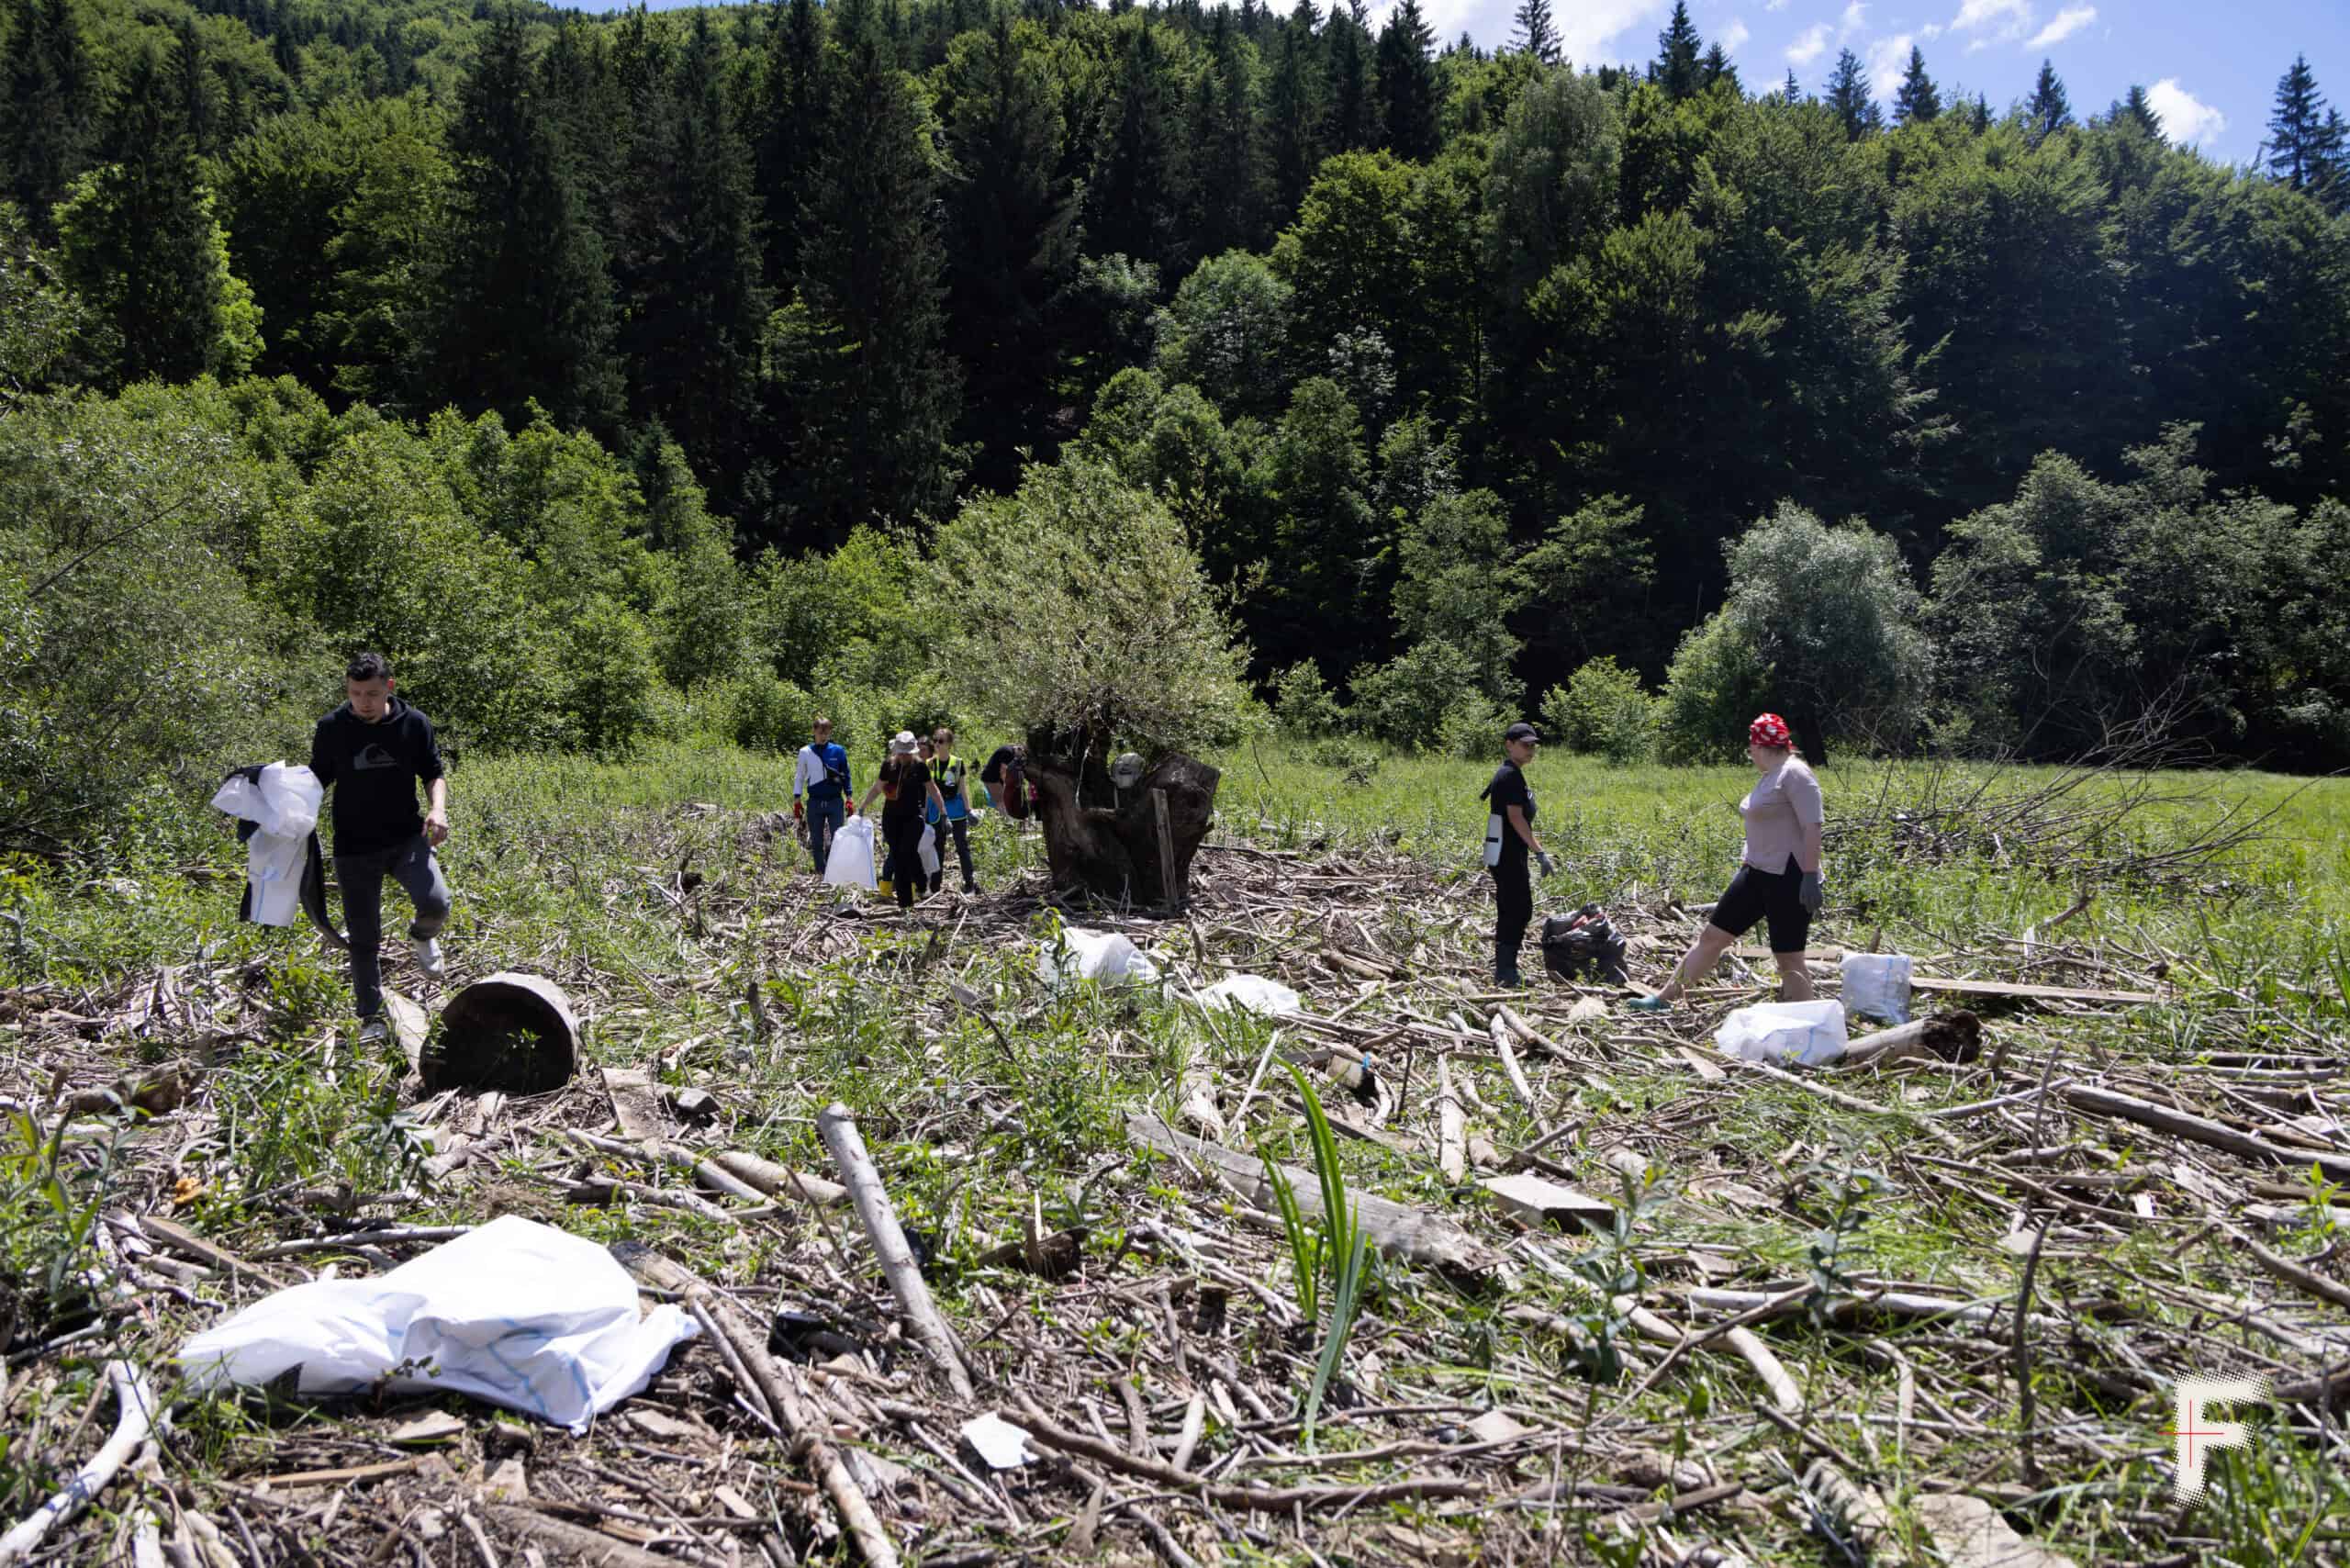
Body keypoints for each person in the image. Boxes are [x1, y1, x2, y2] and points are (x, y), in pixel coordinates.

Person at [1630, 713, 1824, 1012]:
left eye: (1751, 747)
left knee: (1789, 956)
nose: (1750, 753)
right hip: (1756, 873)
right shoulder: (1769, 777)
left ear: (1760, 746)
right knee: (1711, 937)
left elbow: (1813, 825)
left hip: (1790, 878)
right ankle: (1664, 1000)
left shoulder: (1795, 774)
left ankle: (1806, 1022)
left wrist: (1810, 874)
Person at [309, 652, 451, 1044]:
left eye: (371, 693)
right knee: (363, 938)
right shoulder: (332, 728)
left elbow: (434, 772)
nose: (363, 702)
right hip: (353, 848)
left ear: (388, 687)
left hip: (406, 838)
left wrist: (437, 810)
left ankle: (422, 935)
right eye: (355, 693)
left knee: (437, 901)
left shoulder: (414, 724)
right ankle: (370, 1017)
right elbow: (315, 782)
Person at [1481, 721, 1555, 989]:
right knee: (1517, 909)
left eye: (1533, 745)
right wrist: (1540, 852)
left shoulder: (1510, 772)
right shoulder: (1509, 775)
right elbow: (1515, 818)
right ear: (1509, 744)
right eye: (1524, 745)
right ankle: (1506, 973)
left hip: (1505, 852)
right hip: (1507, 853)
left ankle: (1506, 969)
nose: (1530, 750)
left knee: (1513, 908)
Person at [856, 732, 948, 913]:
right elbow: (877, 788)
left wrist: (943, 813)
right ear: (896, 751)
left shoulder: (920, 767)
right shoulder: (888, 766)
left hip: (914, 817)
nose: (904, 756)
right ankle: (905, 904)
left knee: (908, 851)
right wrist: (863, 806)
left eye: (907, 753)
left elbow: (933, 790)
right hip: (891, 818)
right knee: (899, 857)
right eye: (901, 752)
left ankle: (921, 883)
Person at [792, 716, 852, 875]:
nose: (823, 736)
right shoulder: (805, 752)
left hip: (835, 801)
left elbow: (846, 774)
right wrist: (797, 800)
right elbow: (799, 776)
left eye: (826, 733)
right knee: (817, 841)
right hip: (815, 802)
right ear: (814, 731)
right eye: (820, 732)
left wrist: (849, 798)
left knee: (837, 838)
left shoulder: (838, 751)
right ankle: (820, 870)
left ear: (830, 732)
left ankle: (833, 869)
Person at [926, 726, 979, 894]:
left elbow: (963, 788)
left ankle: (969, 883)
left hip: (956, 809)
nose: (937, 744)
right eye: (935, 740)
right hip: (937, 811)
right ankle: (935, 887)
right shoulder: (929, 764)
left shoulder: (957, 763)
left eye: (941, 741)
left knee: (962, 846)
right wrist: (924, 812)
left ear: (949, 744)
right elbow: (927, 791)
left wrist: (968, 809)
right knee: (937, 849)